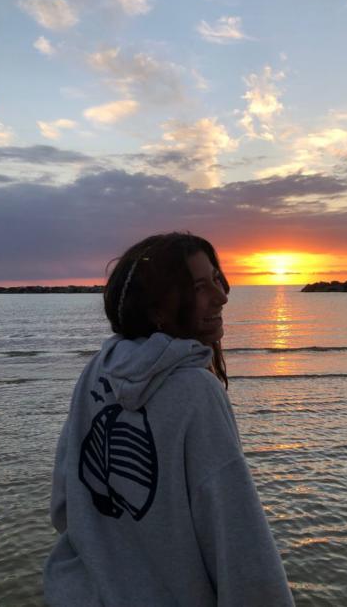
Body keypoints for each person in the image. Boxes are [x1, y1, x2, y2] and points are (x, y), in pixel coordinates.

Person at [43, 231, 295, 606]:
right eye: (198, 287)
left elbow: (65, 505)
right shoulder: (195, 392)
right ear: (157, 308)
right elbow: (240, 546)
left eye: (216, 279)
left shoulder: (98, 370)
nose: (222, 296)